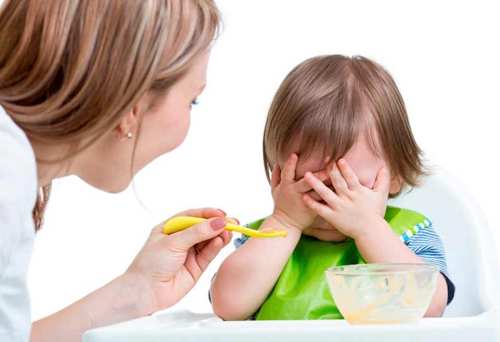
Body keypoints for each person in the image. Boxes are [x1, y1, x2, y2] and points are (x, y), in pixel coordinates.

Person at [0, 1, 233, 341]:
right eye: (191, 101)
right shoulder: (7, 173)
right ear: (132, 106)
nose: (188, 124)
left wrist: (137, 292)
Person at [210, 55, 455, 320]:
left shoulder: (409, 234)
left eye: (346, 188)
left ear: (394, 175)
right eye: (309, 186)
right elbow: (228, 306)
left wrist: (368, 228)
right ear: (277, 174)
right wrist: (286, 222)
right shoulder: (264, 239)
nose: (328, 206)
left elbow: (430, 306)